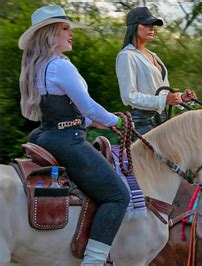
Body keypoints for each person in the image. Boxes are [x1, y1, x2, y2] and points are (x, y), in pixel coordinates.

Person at [18, 5, 130, 265]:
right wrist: (116, 121)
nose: (71, 34)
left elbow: (73, 110)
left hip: (46, 134)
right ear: (49, 34)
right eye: (65, 29)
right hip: (68, 140)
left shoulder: (41, 66)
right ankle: (94, 261)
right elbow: (88, 106)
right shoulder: (60, 67)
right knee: (117, 196)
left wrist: (97, 123)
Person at [116, 6, 197, 134]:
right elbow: (128, 96)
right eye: (146, 24)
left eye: (153, 24)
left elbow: (163, 92)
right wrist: (164, 100)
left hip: (163, 120)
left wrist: (181, 97)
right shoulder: (126, 55)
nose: (152, 28)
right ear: (134, 26)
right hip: (143, 123)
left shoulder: (153, 55)